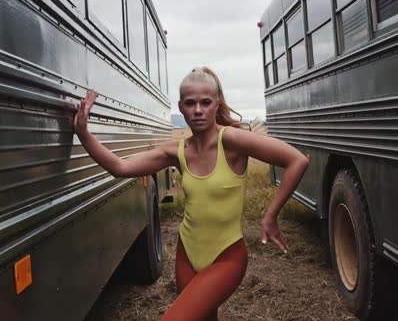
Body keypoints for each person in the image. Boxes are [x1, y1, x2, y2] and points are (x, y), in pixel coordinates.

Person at [74, 67, 310, 321]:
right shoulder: (176, 152)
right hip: (186, 254)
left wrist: (270, 216)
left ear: (216, 104)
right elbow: (120, 168)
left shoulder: (231, 140)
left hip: (226, 256)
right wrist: (84, 134)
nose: (198, 110)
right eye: (190, 103)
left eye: (205, 103)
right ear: (181, 107)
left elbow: (297, 160)